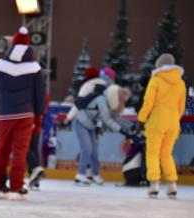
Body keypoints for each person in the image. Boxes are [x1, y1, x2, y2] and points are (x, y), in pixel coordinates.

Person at [0, 26, 45, 200]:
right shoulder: (35, 67)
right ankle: (16, 186)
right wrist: (39, 117)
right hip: (26, 115)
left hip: (4, 114)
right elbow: (39, 94)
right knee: (20, 151)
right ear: (28, 45)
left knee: (2, 149)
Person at [136, 53, 186, 198]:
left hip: (157, 121)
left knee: (152, 153)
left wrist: (141, 119)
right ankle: (172, 185)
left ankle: (154, 184)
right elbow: (182, 107)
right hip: (173, 122)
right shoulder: (181, 83)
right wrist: (175, 118)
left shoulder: (156, 80)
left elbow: (148, 102)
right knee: (166, 154)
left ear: (159, 65)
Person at [73, 84, 132, 185]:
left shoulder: (109, 103)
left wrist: (131, 126)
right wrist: (122, 131)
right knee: (87, 149)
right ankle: (80, 175)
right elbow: (108, 120)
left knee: (94, 151)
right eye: (121, 99)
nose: (122, 102)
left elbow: (116, 118)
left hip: (90, 126)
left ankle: (95, 174)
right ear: (116, 96)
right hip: (80, 123)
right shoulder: (102, 100)